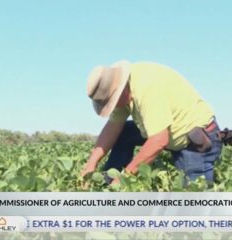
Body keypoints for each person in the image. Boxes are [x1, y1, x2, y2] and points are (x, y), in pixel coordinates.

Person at [80, 60, 223, 185]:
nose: (113, 107)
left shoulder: (147, 88)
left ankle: (119, 184)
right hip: (167, 132)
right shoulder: (124, 87)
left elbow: (159, 140)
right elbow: (112, 128)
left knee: (193, 200)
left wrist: (126, 177)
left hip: (195, 141)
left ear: (120, 90)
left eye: (111, 102)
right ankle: (109, 183)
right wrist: (91, 164)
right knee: (124, 133)